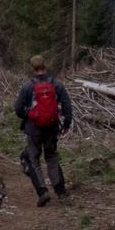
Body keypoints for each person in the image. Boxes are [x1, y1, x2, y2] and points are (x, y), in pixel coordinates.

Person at [14, 54, 73, 206]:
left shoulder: (28, 86)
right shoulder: (57, 84)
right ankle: (60, 191)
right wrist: (66, 123)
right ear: (45, 66)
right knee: (52, 157)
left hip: (33, 130)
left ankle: (42, 192)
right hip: (52, 128)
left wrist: (29, 115)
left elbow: (18, 109)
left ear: (32, 68)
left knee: (33, 159)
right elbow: (67, 105)